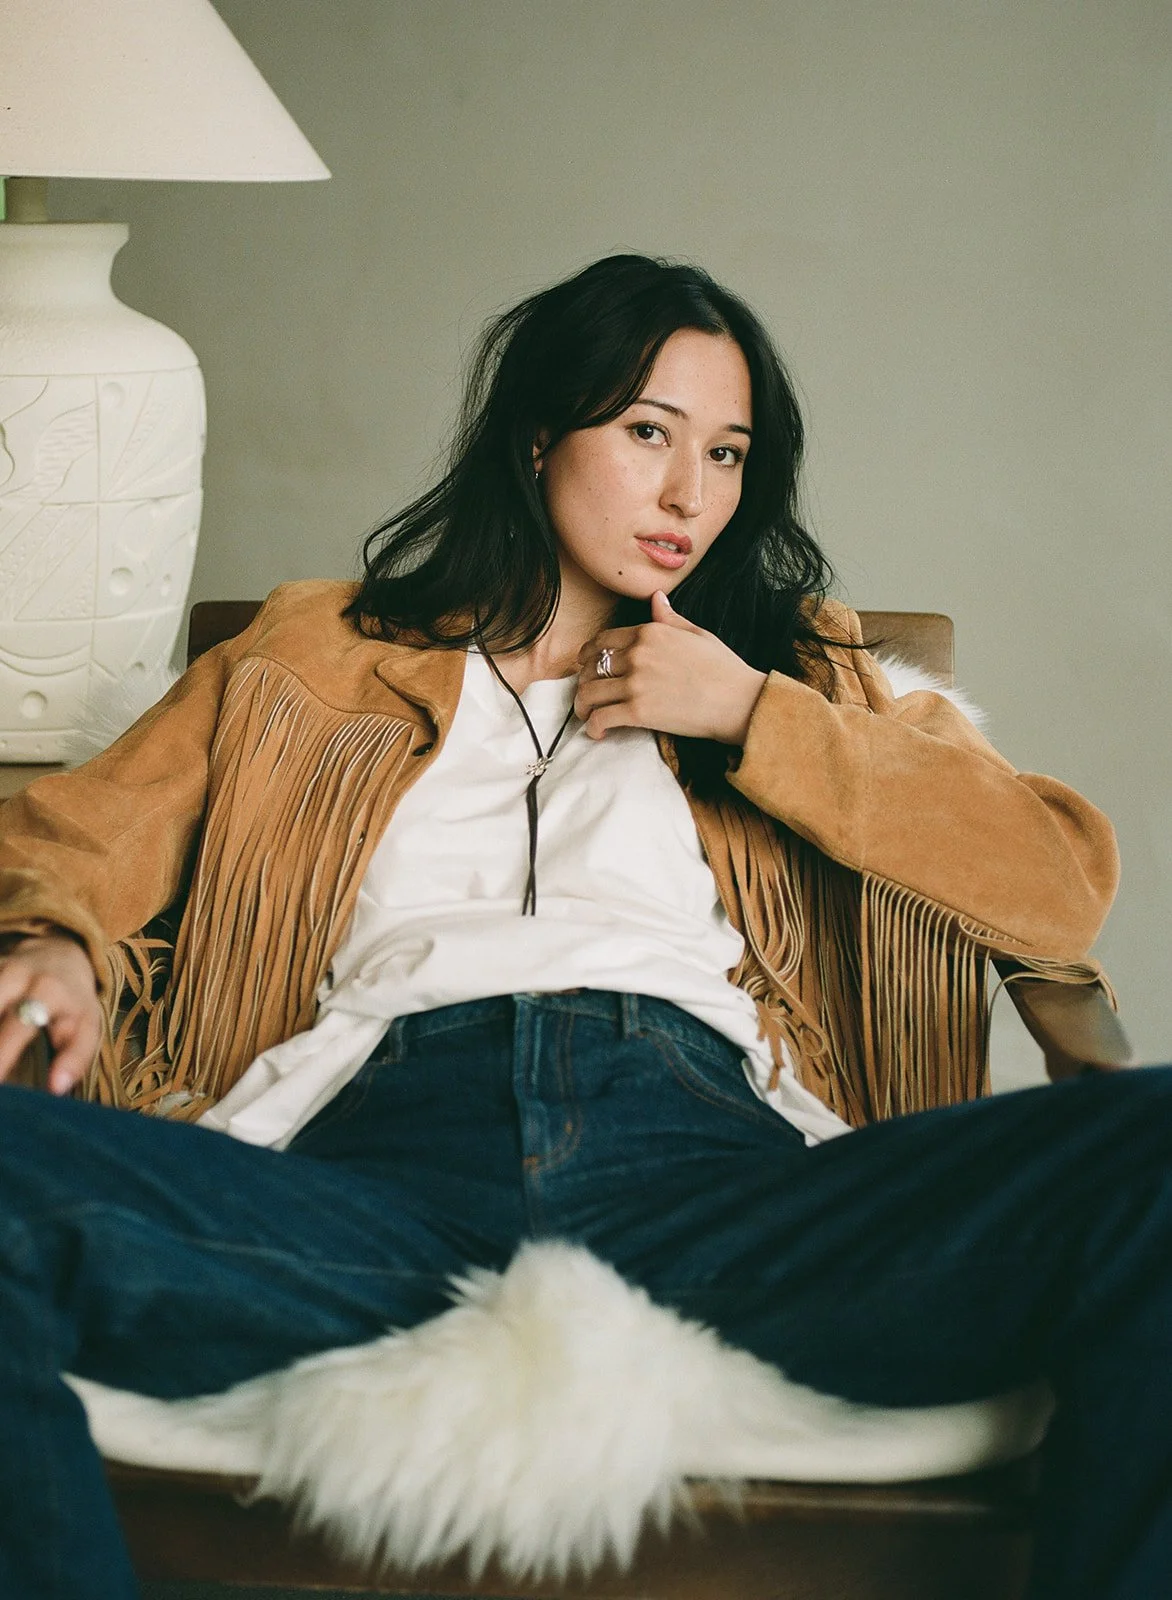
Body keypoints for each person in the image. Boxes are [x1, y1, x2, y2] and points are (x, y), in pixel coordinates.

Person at [0, 252, 1158, 1600]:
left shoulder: (797, 671)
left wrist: (748, 715)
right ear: (539, 432)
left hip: (716, 1195)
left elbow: (1055, 881)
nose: (688, 495)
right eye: (648, 434)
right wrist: (56, 942)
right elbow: (89, 829)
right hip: (369, 1188)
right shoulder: (316, 652)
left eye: (725, 455)